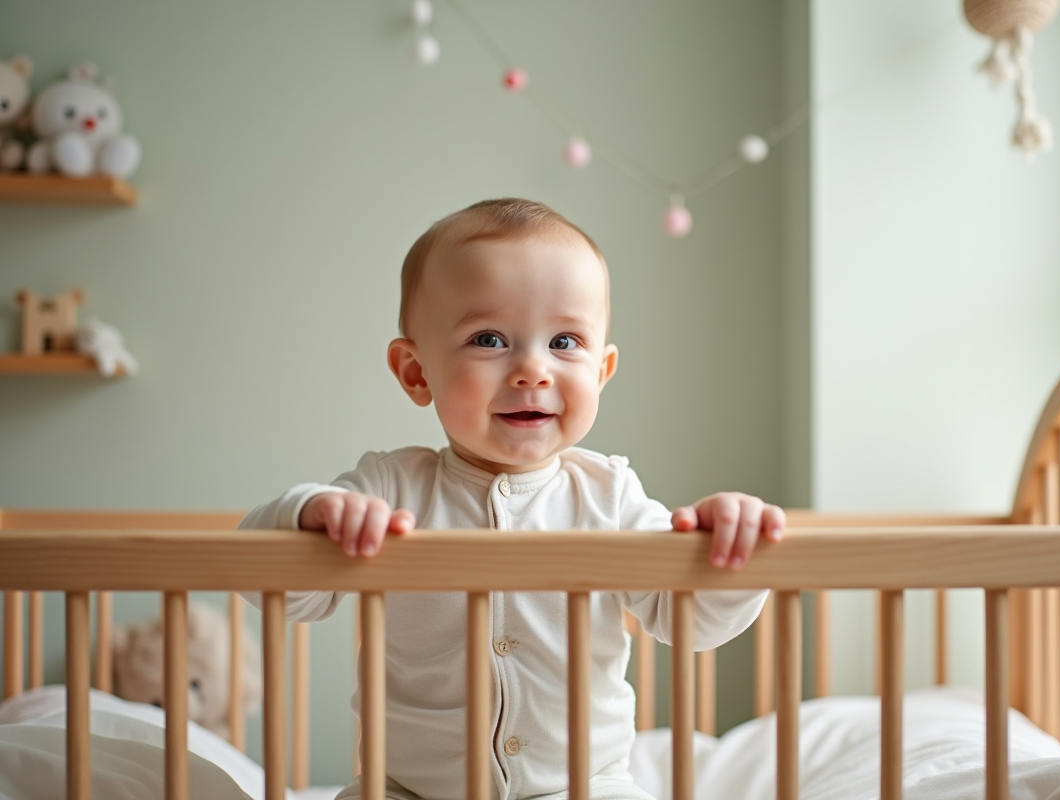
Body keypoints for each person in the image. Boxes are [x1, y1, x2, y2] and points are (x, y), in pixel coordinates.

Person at [239, 198, 785, 800]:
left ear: (601, 372)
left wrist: (730, 552)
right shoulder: (389, 490)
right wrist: (309, 514)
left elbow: (691, 622)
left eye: (565, 341)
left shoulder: (608, 496)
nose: (532, 370)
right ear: (416, 372)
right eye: (490, 338)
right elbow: (276, 585)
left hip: (584, 786)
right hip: (408, 790)